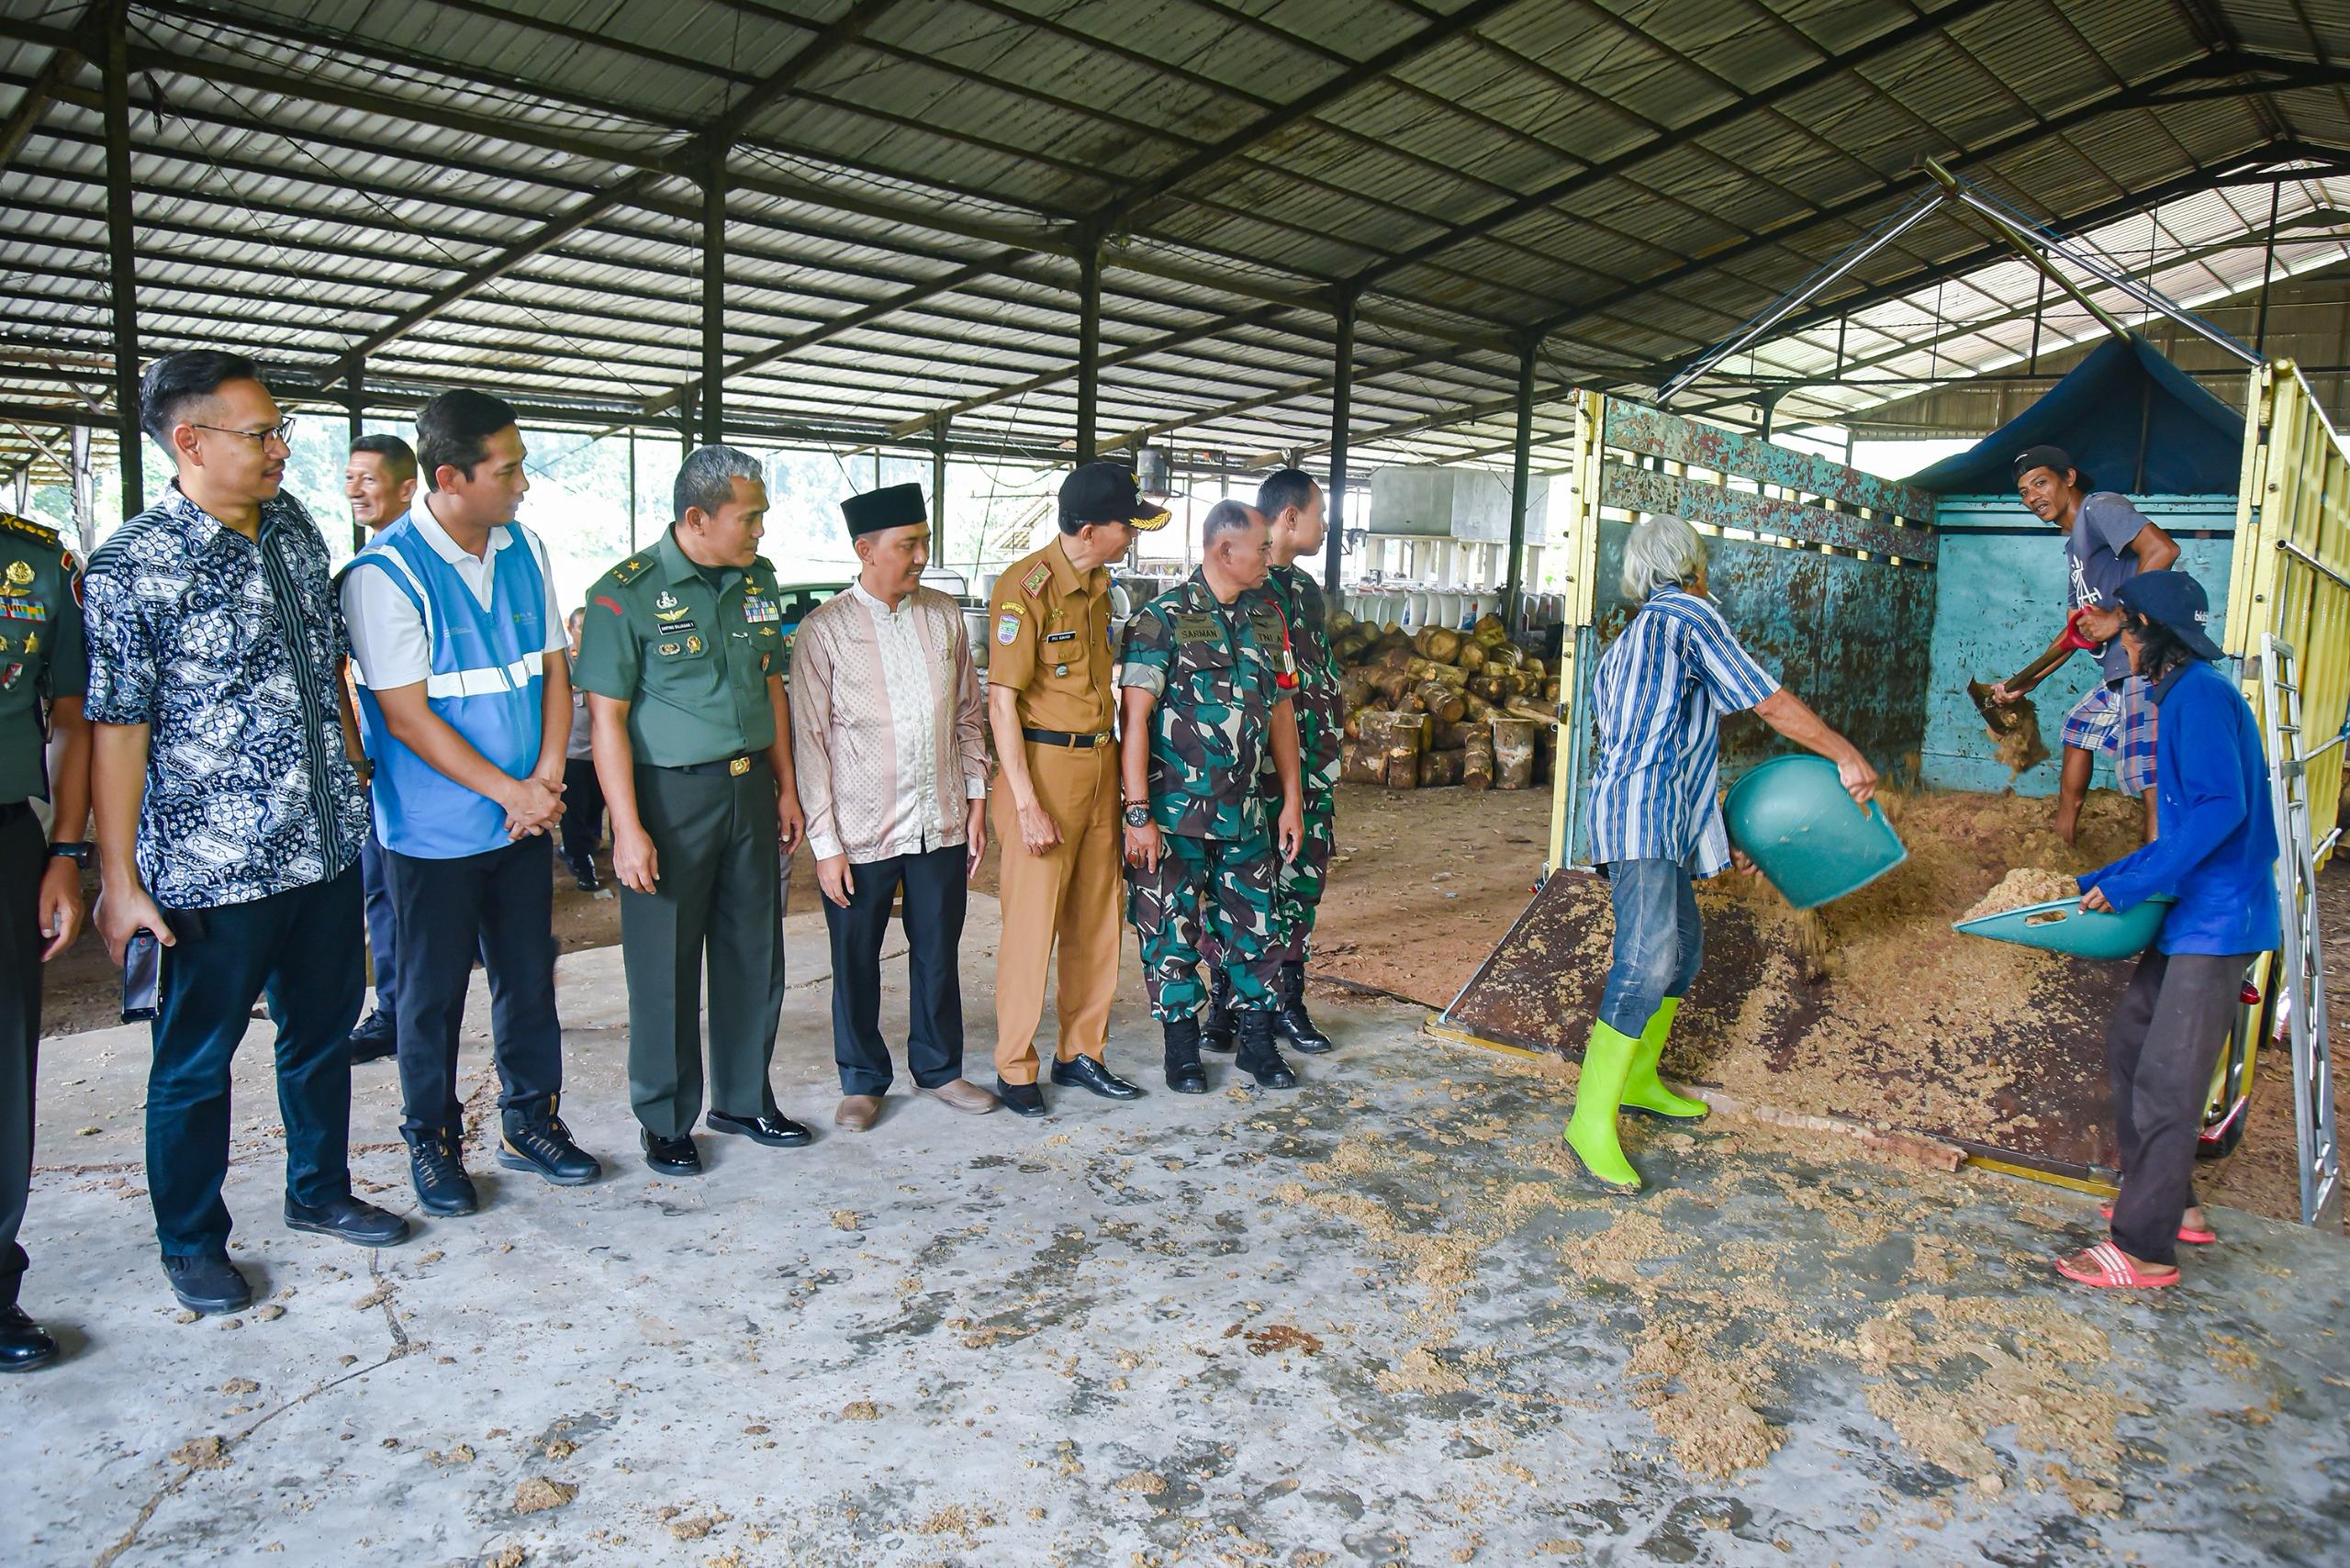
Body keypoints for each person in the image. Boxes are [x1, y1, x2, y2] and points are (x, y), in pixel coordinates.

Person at [84, 350, 408, 1316]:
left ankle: (318, 1191)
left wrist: (354, 769)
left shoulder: (297, 529)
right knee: (194, 1061)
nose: (280, 449)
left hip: (320, 845)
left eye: (279, 431)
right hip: (210, 867)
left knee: (317, 1035)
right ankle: (190, 1239)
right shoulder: (129, 567)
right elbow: (117, 732)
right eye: (258, 433)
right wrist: (119, 878)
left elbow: (330, 668)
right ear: (190, 441)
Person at [342, 389, 600, 1215]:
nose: (524, 483)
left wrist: (549, 779)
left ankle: (531, 1123)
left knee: (527, 980)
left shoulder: (526, 548)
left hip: (527, 818)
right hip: (433, 834)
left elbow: (553, 670)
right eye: (510, 467)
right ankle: (433, 1140)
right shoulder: (383, 574)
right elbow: (407, 715)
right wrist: (515, 791)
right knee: (430, 995)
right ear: (450, 477)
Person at [1567, 513, 1878, 1195]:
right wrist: (1844, 753)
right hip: (1645, 815)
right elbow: (1766, 702)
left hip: (1652, 811)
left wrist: (1719, 835)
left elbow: (1672, 745)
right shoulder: (1689, 615)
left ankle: (1641, 1078)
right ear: (1695, 566)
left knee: (1684, 948)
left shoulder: (1631, 639)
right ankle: (1589, 1121)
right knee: (1648, 958)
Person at [577, 445, 811, 1173]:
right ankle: (666, 1118)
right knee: (665, 967)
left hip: (749, 789)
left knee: (754, 953)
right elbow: (607, 718)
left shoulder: (758, 581)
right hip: (668, 796)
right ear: (695, 518)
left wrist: (788, 786)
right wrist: (627, 827)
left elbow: (771, 683)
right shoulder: (625, 594)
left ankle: (743, 1098)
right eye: (751, 518)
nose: (761, 532)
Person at [2059, 570, 2278, 1290]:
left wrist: (2132, 884)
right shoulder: (2179, 692)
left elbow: (2221, 811)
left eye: (2123, 628)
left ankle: (2145, 1248)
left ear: (2149, 632)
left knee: (2167, 1079)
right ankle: (2172, 1202)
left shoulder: (2201, 698)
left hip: (2221, 919)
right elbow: (2188, 823)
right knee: (2131, 1042)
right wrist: (2114, 873)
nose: (2117, 640)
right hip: (2193, 912)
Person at [789, 481, 992, 1132]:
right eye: (908, 545)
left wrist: (976, 797)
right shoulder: (825, 632)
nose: (920, 556)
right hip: (859, 830)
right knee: (855, 954)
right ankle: (862, 1078)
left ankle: (939, 1067)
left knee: (938, 948)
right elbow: (811, 743)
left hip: (940, 820)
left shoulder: (943, 617)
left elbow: (968, 713)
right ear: (865, 550)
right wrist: (825, 846)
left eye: (924, 542)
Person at [985, 462, 1166, 1116]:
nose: (1132, 536)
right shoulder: (1024, 589)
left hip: (1096, 764)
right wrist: (1026, 803)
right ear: (1090, 529)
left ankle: (1081, 1053)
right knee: (1032, 928)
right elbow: (1001, 703)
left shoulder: (1099, 585)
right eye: (1126, 526)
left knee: (1095, 918)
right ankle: (1014, 1066)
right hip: (1042, 771)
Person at [1118, 499, 1304, 1095]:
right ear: (1226, 551)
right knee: (1170, 933)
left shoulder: (1267, 620)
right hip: (1174, 819)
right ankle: (1182, 1051)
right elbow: (1135, 721)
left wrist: (1292, 800)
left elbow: (1280, 712)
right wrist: (1138, 813)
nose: (1270, 557)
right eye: (1262, 547)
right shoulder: (1160, 619)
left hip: (1246, 813)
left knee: (1256, 930)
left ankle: (1255, 1044)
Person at [1201, 466, 1340, 1058]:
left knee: (1299, 883)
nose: (1325, 526)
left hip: (1309, 771)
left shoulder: (1305, 592)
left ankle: (1288, 1002)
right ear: (1289, 518)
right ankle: (1226, 1004)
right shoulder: (1241, 590)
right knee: (1233, 889)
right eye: (1319, 515)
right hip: (1248, 773)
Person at [0, 507, 89, 1372]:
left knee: (3, 1079)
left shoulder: (32, 563)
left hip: (5, 838)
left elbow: (69, 716)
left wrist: (66, 852)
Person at [1992, 444, 2178, 844]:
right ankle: (2063, 843)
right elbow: (2073, 632)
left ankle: (2159, 876)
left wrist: (2119, 617)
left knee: (2148, 775)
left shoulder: (2098, 508)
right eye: (2024, 492)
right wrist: (2029, 681)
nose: (2032, 497)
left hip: (2146, 663)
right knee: (2078, 729)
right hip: (2118, 669)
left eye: (2041, 483)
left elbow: (2163, 549)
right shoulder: (2074, 547)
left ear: (2069, 478)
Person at [341, 433, 419, 1065]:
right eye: (349, 478)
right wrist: (354, 755)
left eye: (369, 478)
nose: (355, 490)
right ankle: (393, 1010)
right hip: (382, 765)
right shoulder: (356, 573)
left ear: (407, 487)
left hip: (447, 771)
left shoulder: (432, 565)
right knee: (382, 892)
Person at [559, 607, 606, 892]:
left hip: (602, 751)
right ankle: (581, 861)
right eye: (582, 628)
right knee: (573, 807)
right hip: (572, 752)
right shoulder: (562, 663)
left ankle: (587, 844)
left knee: (597, 802)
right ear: (570, 628)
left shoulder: (605, 659)